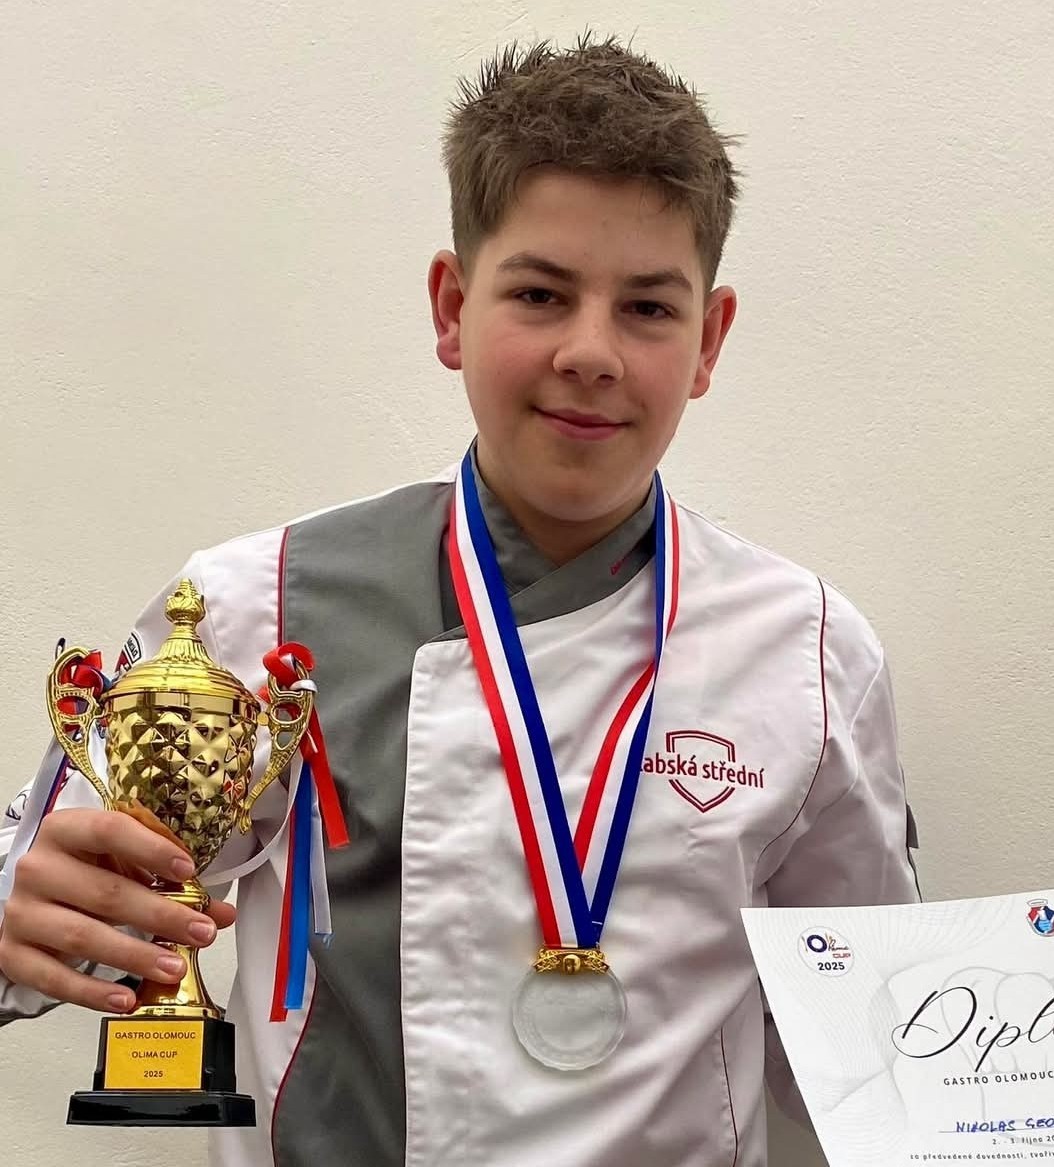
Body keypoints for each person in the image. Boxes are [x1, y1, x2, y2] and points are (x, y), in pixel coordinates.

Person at [0, 32, 920, 1167]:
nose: (591, 352)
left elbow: (871, 1054)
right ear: (451, 306)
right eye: (540, 293)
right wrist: (27, 923)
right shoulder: (257, 605)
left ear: (708, 341)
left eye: (647, 308)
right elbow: (55, 899)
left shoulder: (810, 655)